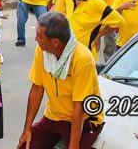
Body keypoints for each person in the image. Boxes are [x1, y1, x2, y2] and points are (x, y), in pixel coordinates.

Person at [17, 12, 104, 149]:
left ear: (55, 42)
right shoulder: (41, 51)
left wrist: (73, 146)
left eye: (39, 35)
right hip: (55, 116)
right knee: (24, 146)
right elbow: (37, 88)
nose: (35, 39)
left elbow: (79, 106)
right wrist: (27, 129)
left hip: (85, 120)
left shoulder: (82, 58)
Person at [57, 0, 124, 62]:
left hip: (86, 56)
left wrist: (99, 35)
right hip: (69, 53)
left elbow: (119, 21)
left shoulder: (96, 3)